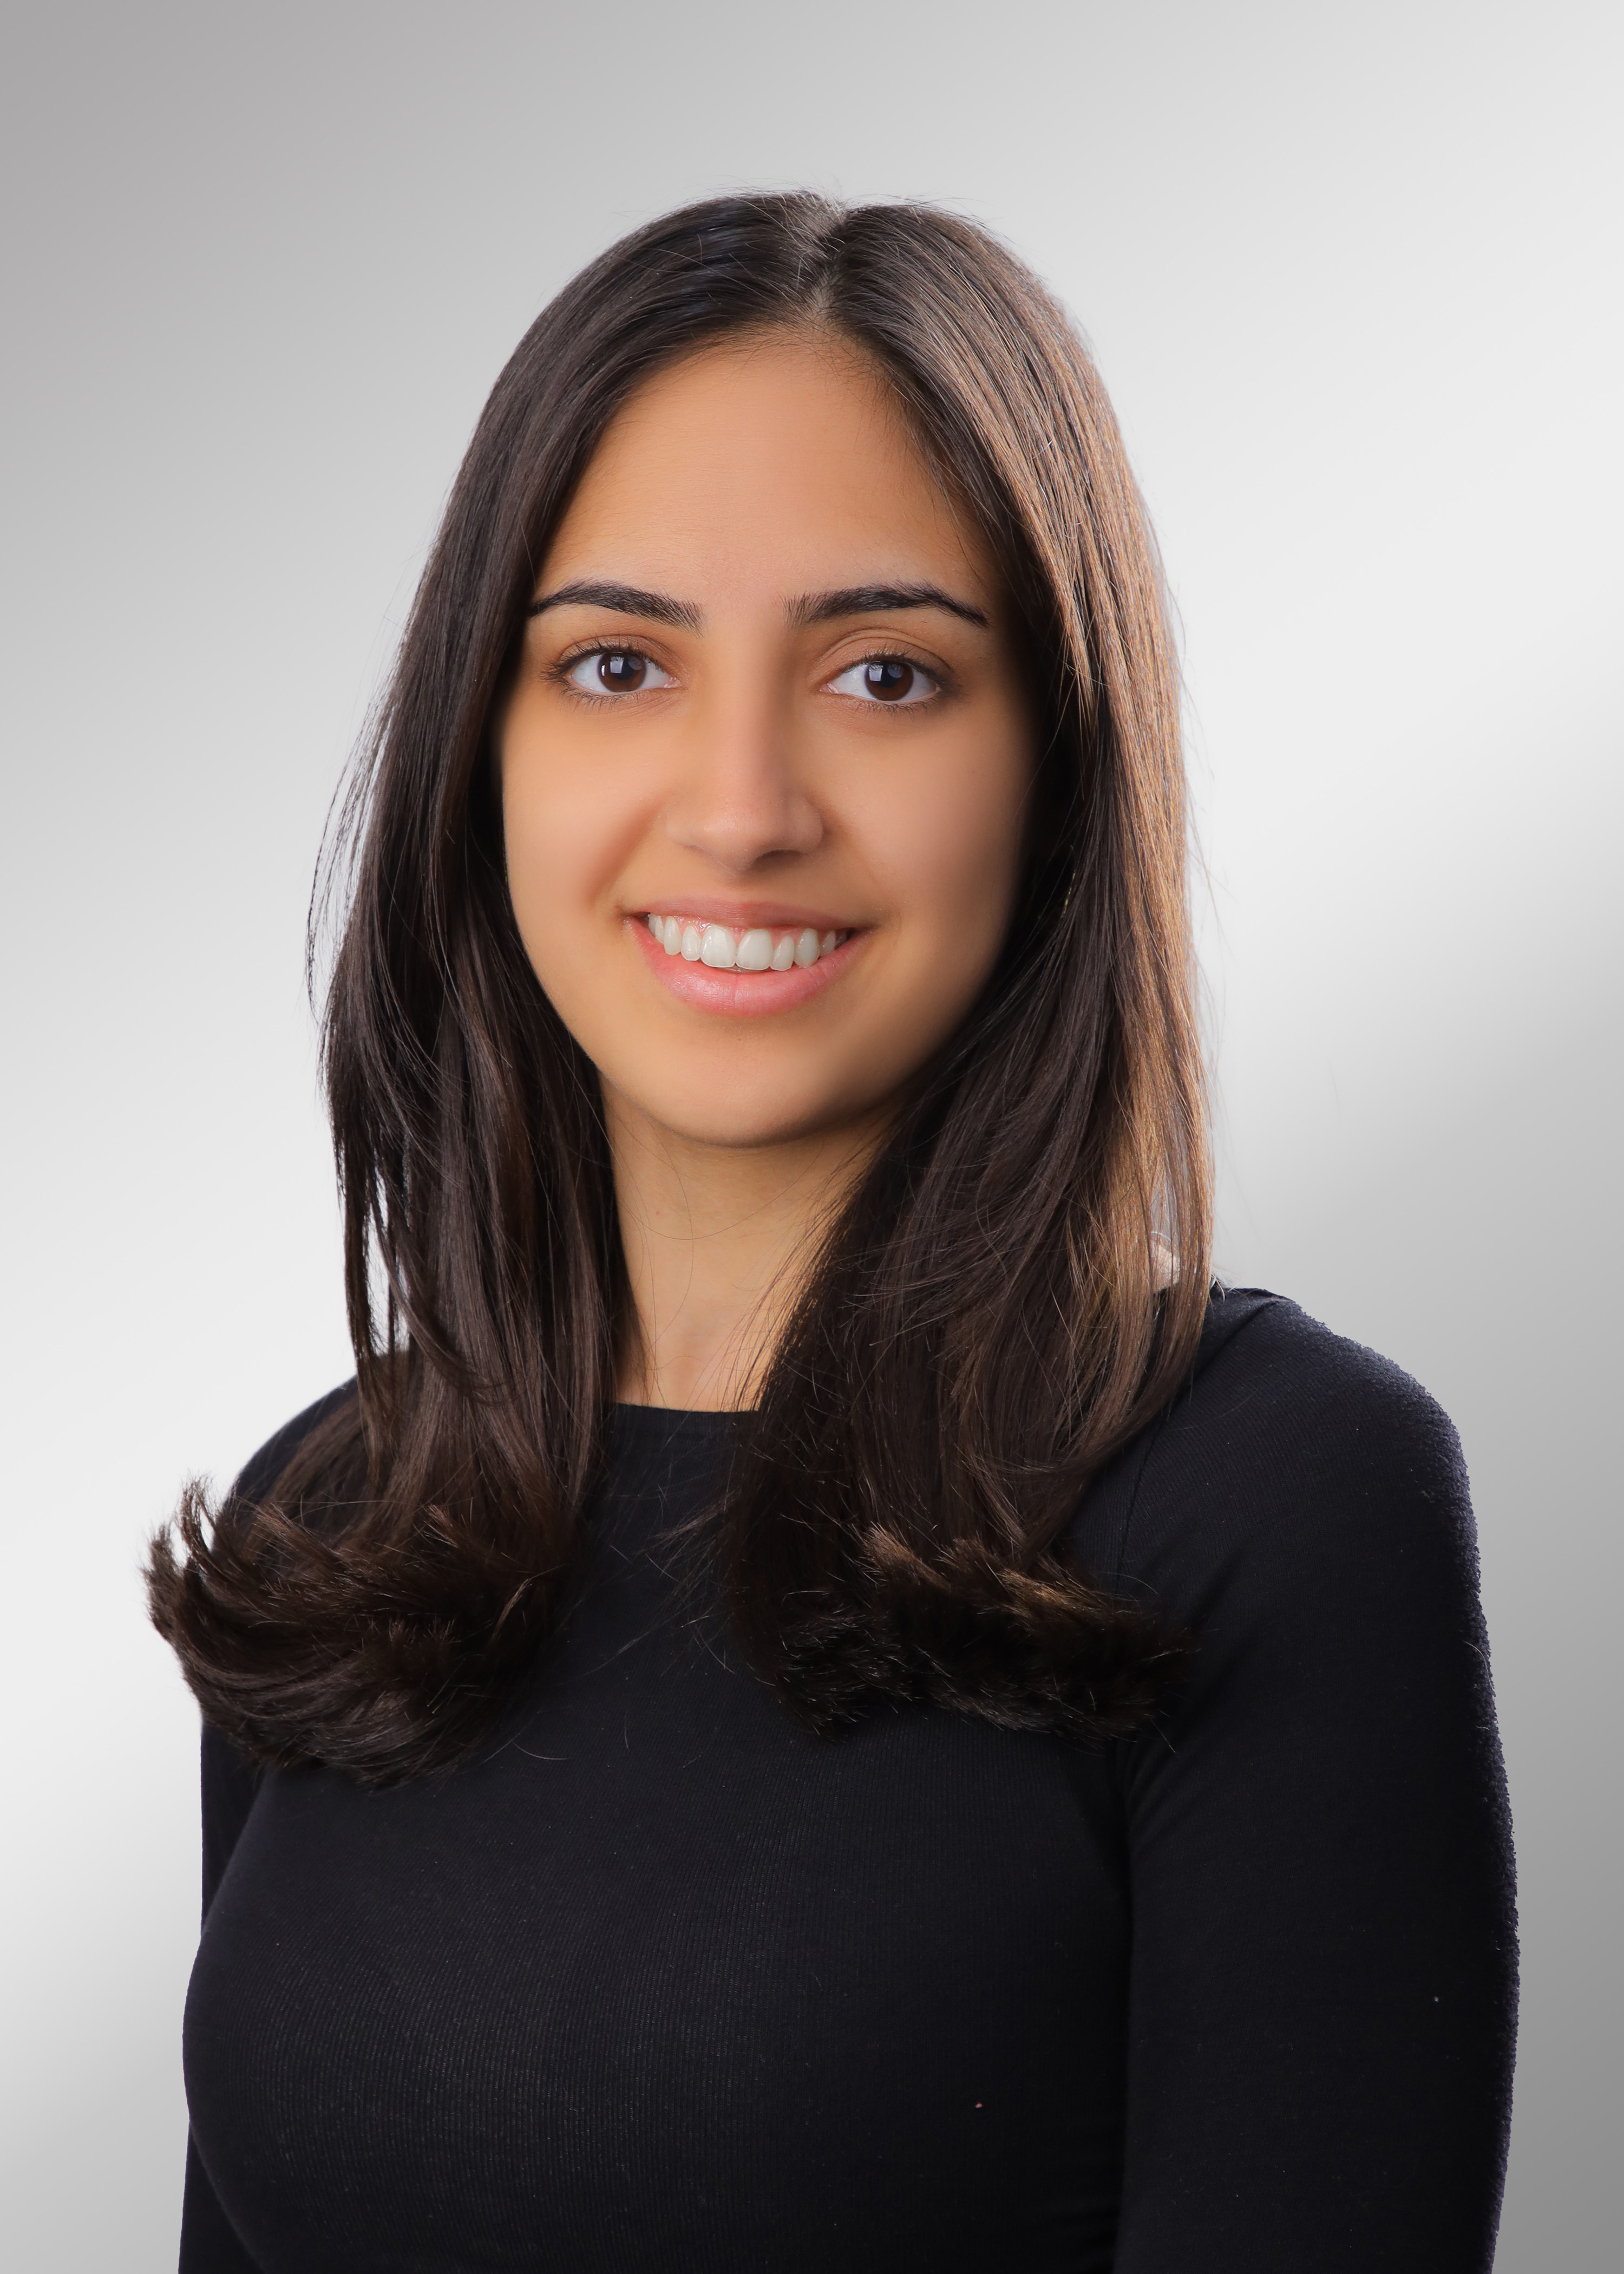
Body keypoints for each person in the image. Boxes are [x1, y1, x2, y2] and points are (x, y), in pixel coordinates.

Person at [147, 193, 1516, 2273]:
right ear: (479, 751)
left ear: (1056, 764)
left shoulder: (1273, 1502)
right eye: (615, 664)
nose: (741, 803)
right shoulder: (343, 1519)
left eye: (888, 673)